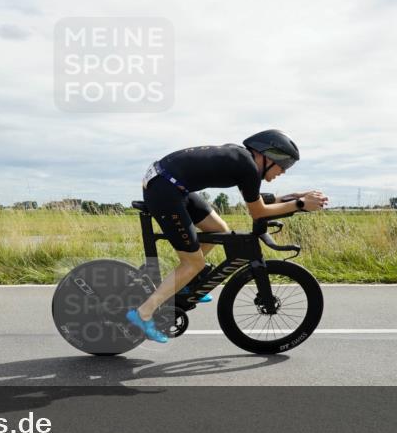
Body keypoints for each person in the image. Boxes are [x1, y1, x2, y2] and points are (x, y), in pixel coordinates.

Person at [126, 129, 328, 343]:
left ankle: (186, 283)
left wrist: (297, 197)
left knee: (218, 229)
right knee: (193, 263)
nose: (284, 171)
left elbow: (259, 201)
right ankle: (143, 314)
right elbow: (258, 212)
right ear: (269, 156)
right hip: (165, 189)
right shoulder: (247, 167)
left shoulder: (243, 161)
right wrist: (300, 204)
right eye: (285, 164)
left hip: (170, 184)